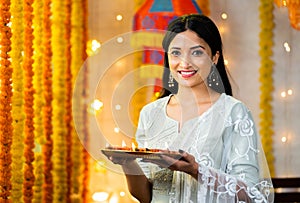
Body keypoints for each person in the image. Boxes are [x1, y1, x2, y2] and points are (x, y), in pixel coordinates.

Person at [107, 14, 274, 203]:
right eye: (176, 53)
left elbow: (252, 195)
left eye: (196, 52)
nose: (185, 63)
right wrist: (128, 163)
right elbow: (145, 196)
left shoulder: (233, 112)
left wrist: (196, 170)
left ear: (215, 57)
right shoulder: (150, 113)